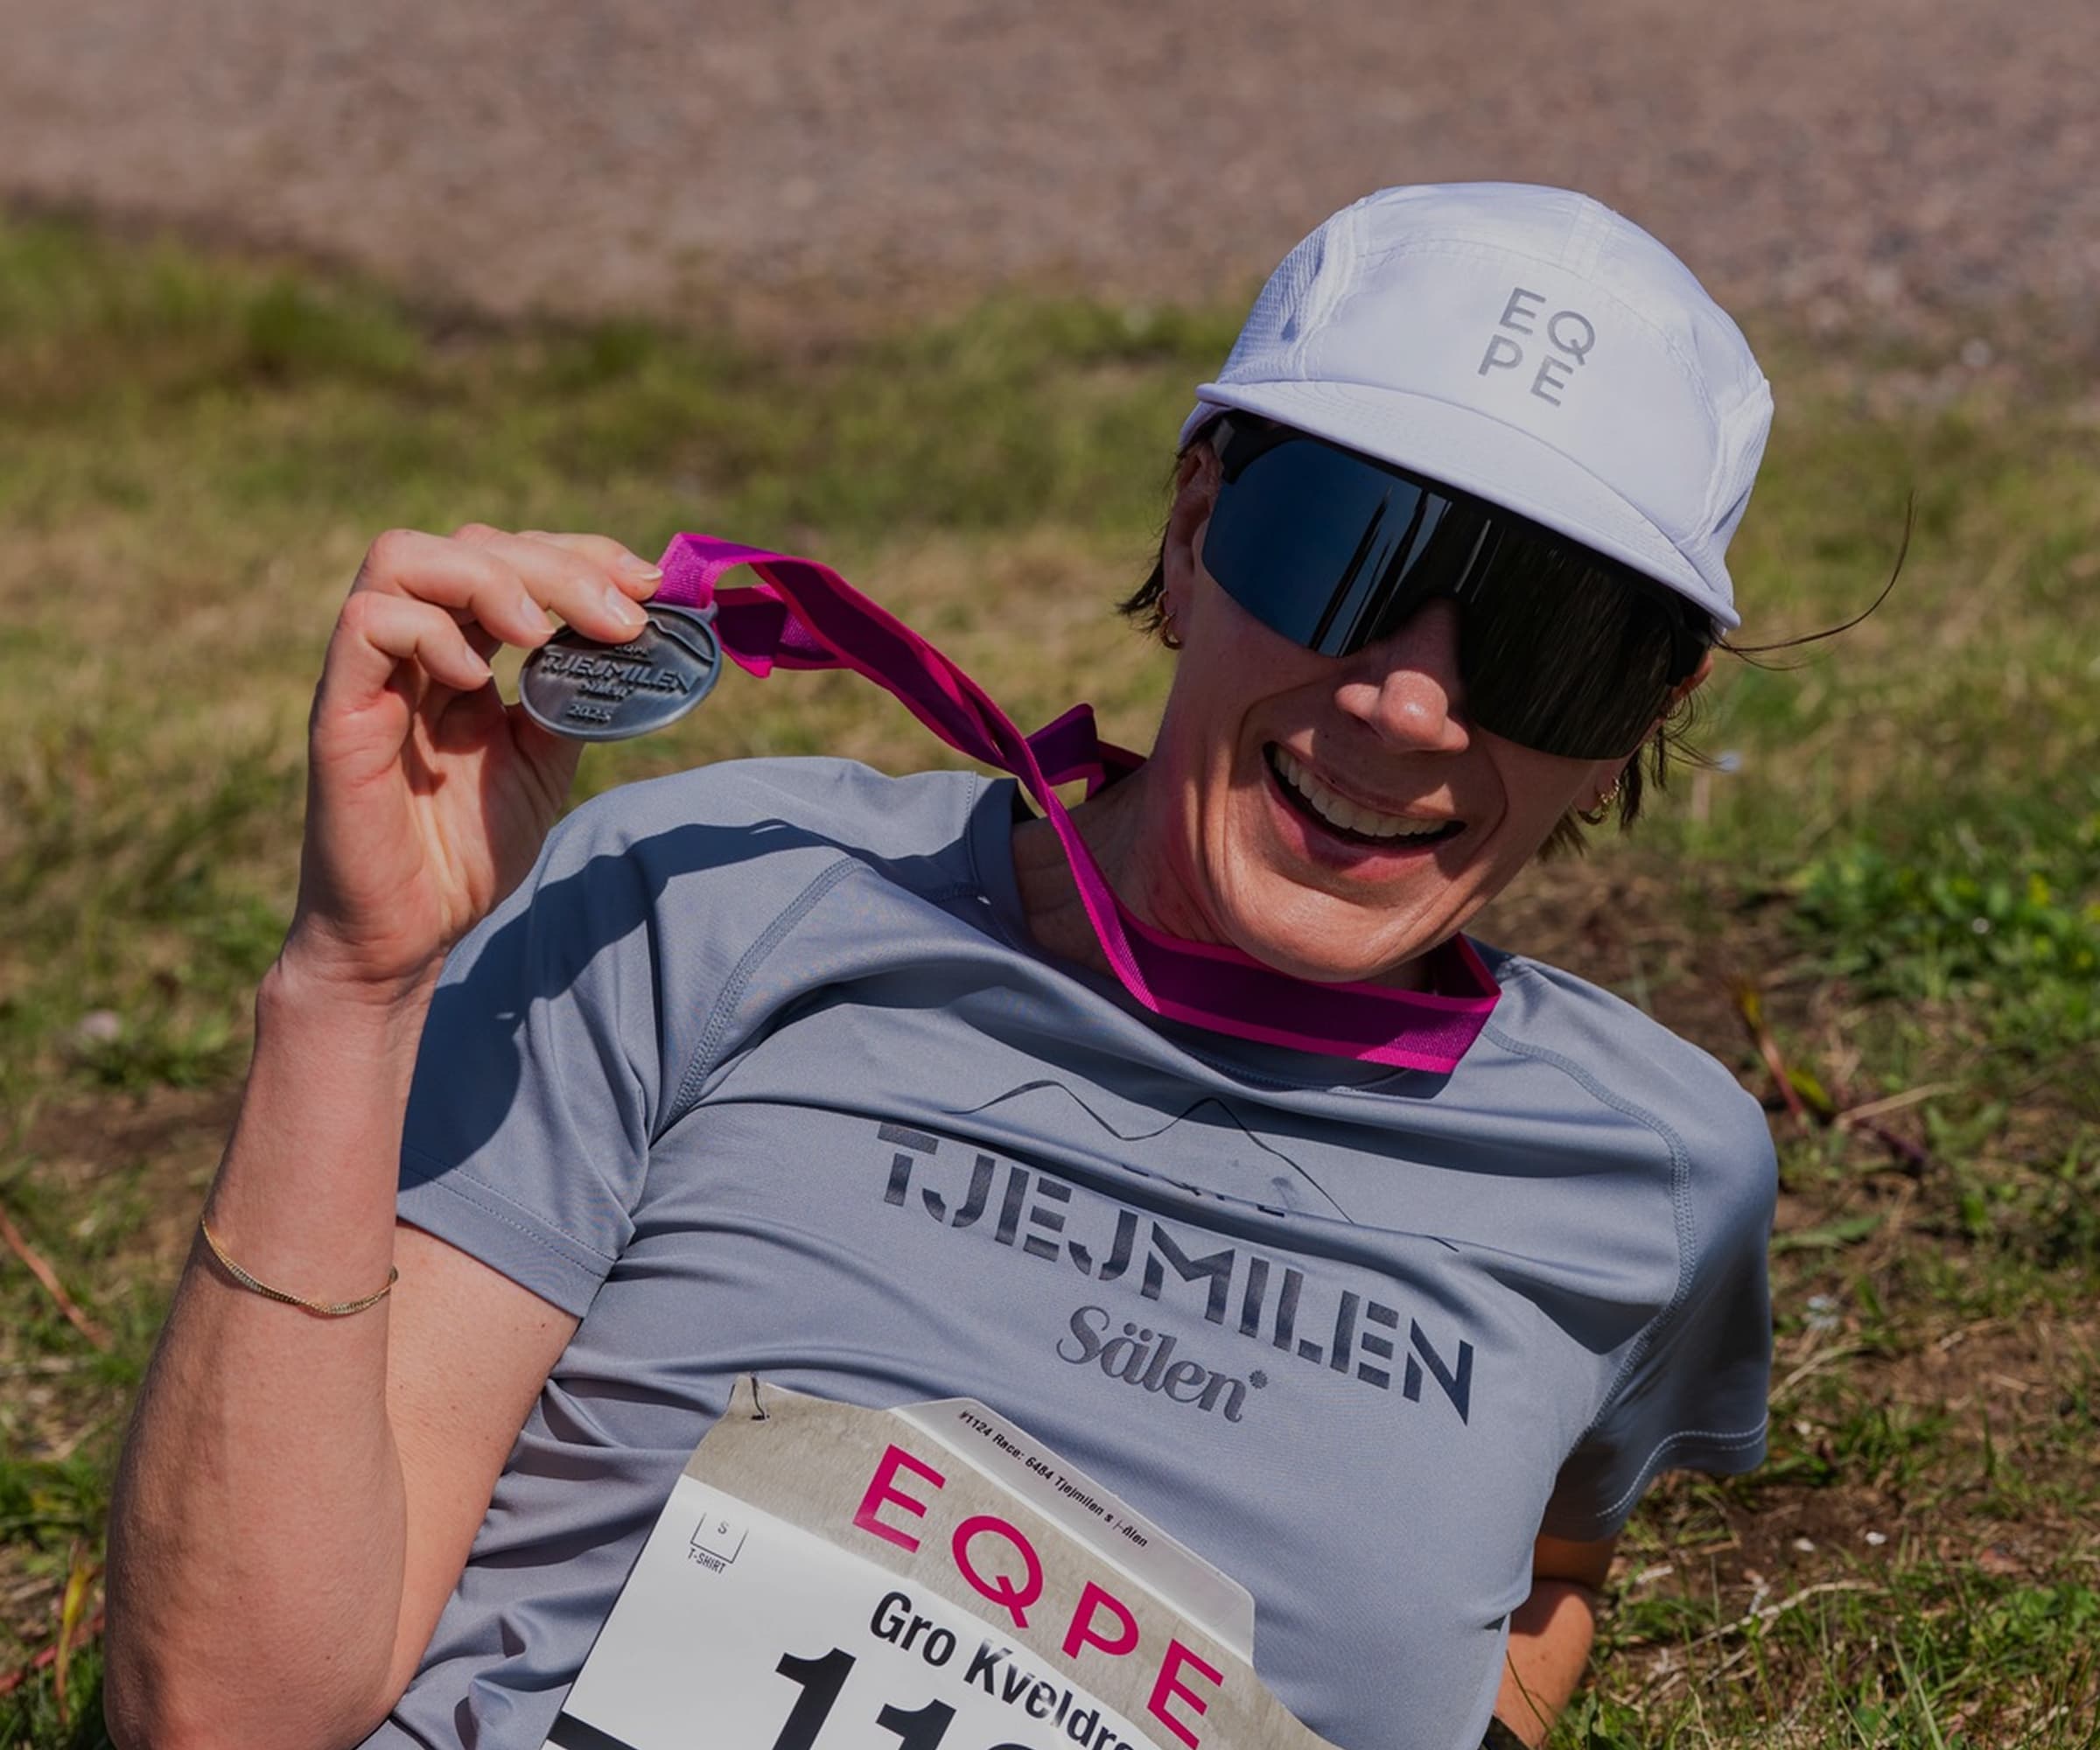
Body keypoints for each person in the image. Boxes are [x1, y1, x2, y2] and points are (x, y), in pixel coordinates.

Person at [103, 183, 1779, 1750]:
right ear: (1196, 528)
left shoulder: (1654, 1174)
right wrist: (355, 983)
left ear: (1650, 716)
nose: (1409, 703)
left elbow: (1551, 1567)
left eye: (1557, 645)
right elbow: (232, 1712)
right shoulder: (718, 899)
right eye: (1349, 553)